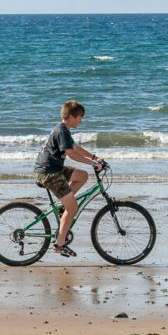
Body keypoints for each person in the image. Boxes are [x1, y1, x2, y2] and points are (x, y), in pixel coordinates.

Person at [33, 100, 105, 258]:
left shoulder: (63, 129)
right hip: (49, 173)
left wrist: (94, 157)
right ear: (72, 116)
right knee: (73, 207)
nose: (81, 120)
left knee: (82, 175)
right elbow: (70, 153)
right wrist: (92, 163)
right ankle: (59, 244)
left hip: (53, 169)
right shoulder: (62, 131)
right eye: (80, 117)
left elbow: (75, 148)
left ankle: (61, 207)